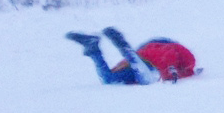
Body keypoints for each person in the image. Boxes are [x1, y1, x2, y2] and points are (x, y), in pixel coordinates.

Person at [65, 27, 198, 84]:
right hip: (148, 65)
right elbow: (170, 53)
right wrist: (171, 68)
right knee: (148, 80)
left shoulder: (148, 49)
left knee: (109, 80)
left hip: (137, 61)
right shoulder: (181, 55)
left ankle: (93, 48)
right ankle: (125, 49)